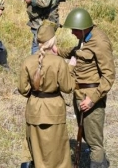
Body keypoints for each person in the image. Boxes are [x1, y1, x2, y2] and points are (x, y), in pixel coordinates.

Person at [54, 8, 115, 168]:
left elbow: (108, 76)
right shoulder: (85, 39)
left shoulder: (100, 42)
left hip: (91, 97)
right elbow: (78, 53)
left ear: (83, 28)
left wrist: (92, 99)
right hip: (79, 94)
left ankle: (98, 164)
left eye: (74, 30)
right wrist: (57, 51)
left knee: (94, 141)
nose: (73, 33)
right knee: (88, 136)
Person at [18, 24, 75, 168]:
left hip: (34, 109)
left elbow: (23, 90)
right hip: (54, 109)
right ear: (53, 42)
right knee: (58, 151)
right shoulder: (58, 62)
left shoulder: (28, 61)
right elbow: (68, 87)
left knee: (34, 148)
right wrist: (71, 67)